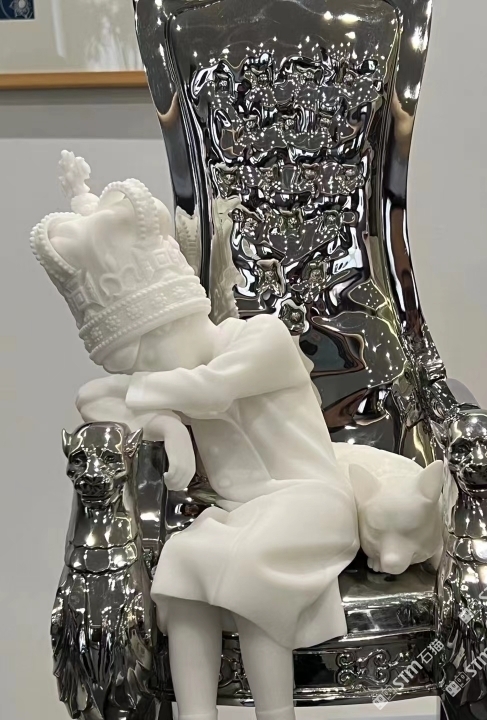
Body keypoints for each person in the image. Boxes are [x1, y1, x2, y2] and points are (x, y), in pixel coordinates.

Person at [31, 153, 360, 720]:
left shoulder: (261, 339)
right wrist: (165, 426)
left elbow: (209, 392)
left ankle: (274, 713)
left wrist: (150, 397)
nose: (145, 372)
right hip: (241, 512)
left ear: (176, 319)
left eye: (147, 355)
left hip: (312, 502)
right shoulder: (174, 382)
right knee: (183, 566)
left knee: (245, 564)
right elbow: (94, 398)